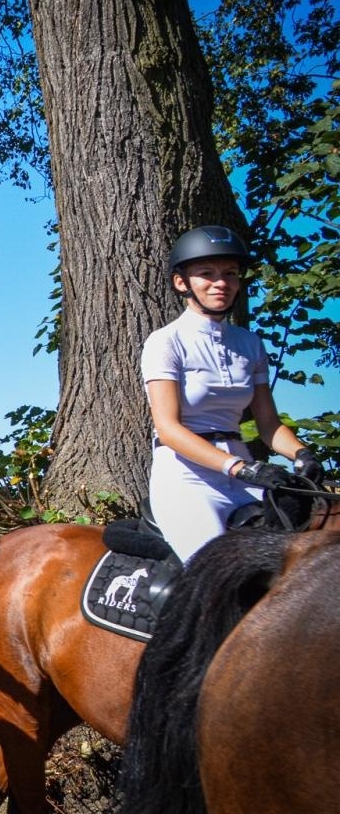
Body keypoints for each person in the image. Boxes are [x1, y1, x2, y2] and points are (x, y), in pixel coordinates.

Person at [143, 225, 322, 564]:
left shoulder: (249, 344)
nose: (221, 283)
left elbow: (268, 424)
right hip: (187, 479)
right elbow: (168, 428)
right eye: (207, 274)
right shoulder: (165, 342)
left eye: (230, 274)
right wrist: (240, 468)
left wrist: (302, 454)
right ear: (182, 283)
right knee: (215, 574)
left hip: (243, 474)